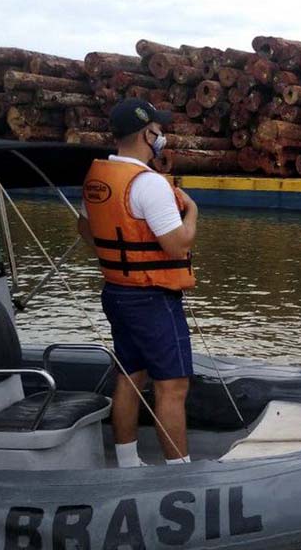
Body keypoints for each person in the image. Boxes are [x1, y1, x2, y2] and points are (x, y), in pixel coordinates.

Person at [77, 98, 198, 467]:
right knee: (172, 386)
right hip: (152, 296)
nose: (161, 136)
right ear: (148, 133)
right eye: (158, 131)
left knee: (131, 375)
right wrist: (193, 212)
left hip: (116, 291)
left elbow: (86, 231)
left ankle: (128, 463)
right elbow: (177, 243)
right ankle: (181, 474)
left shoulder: (98, 178)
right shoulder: (149, 185)